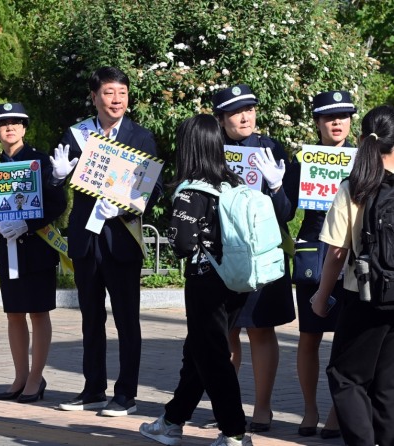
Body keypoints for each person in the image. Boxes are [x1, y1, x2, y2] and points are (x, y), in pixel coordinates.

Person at [53, 66, 163, 416]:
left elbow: (155, 189)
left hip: (121, 238)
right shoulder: (77, 135)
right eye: (109, 93)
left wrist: (129, 204)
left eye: (122, 93)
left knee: (127, 319)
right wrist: (56, 178)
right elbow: (58, 184)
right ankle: (93, 389)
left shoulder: (141, 137)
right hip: (86, 239)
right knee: (90, 317)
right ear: (94, 96)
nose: (116, 100)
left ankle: (126, 393)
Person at [139, 114, 252, 446]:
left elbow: (183, 244)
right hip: (237, 279)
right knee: (198, 352)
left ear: (187, 146)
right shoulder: (232, 182)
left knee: (212, 355)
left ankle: (234, 433)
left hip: (206, 281)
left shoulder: (191, 191)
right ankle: (172, 421)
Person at [212, 84, 295, 432]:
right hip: (222, 253)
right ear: (220, 119)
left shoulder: (271, 149)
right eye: (235, 112)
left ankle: (262, 408)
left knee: (261, 330)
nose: (244, 117)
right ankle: (228, 408)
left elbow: (287, 213)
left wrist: (277, 187)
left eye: (249, 109)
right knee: (225, 333)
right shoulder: (209, 150)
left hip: (262, 254)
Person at [311, 105, 394, 446]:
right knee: (388, 382)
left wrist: (320, 296)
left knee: (345, 376)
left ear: (363, 140)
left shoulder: (357, 186)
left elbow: (337, 252)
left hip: (365, 294)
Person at [0, 102, 67, 403]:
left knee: (38, 311)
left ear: (25, 127)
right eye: (3, 123)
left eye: (16, 122)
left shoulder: (42, 162)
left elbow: (57, 204)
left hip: (37, 247)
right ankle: (20, 376)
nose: (10, 127)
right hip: (8, 249)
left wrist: (27, 223)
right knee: (14, 313)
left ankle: (36, 377)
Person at [285, 91, 356, 439]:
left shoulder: (364, 160)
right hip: (314, 250)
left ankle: (337, 412)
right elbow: (284, 209)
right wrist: (276, 182)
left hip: (353, 255)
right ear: (317, 123)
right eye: (330, 117)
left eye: (344, 116)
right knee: (309, 335)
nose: (338, 122)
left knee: (346, 338)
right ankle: (310, 409)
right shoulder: (302, 161)